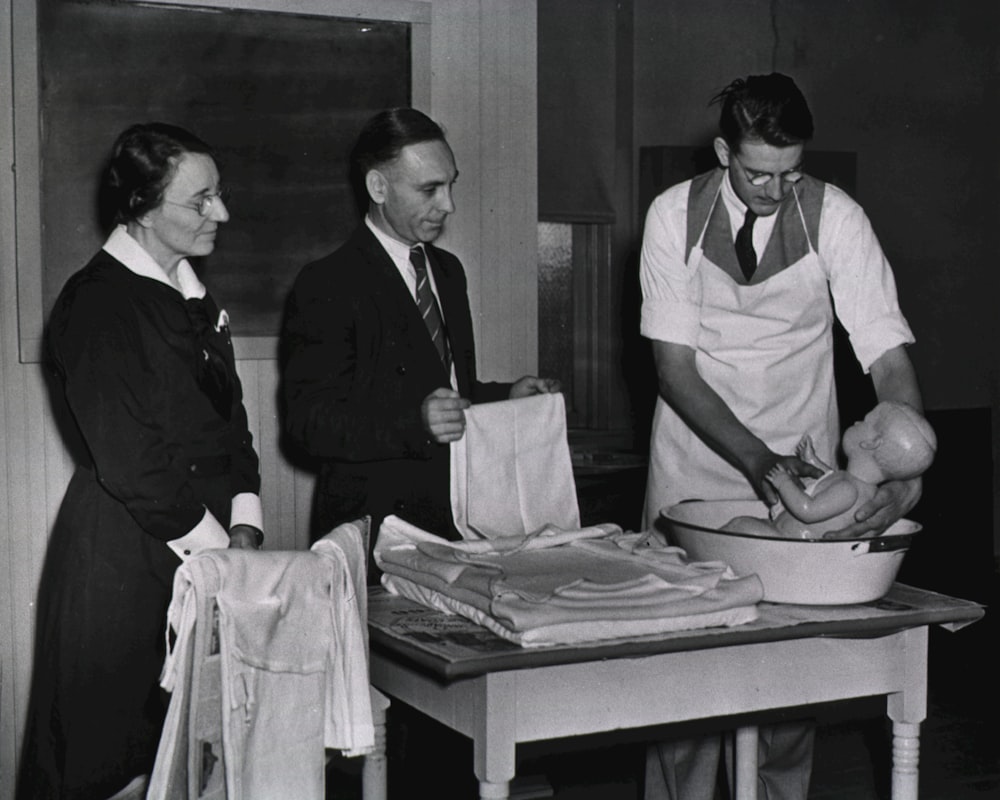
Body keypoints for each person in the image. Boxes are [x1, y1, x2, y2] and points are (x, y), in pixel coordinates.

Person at [639, 74, 925, 800]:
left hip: (805, 466)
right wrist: (761, 466)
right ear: (722, 151)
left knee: (787, 685)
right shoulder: (673, 215)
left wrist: (904, 456)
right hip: (696, 462)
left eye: (789, 172)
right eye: (756, 173)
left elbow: (887, 355)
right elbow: (674, 371)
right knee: (685, 685)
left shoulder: (839, 218)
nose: (773, 190)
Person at [18, 123, 264, 800]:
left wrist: (246, 524)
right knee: (121, 766)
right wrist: (221, 554)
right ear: (143, 209)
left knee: (194, 765)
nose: (223, 213)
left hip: (205, 554)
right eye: (201, 200)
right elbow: (132, 462)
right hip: (125, 566)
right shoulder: (97, 302)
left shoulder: (193, 298)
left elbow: (232, 425)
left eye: (220, 194)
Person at [281, 107, 559, 547]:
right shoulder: (328, 283)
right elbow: (308, 424)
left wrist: (505, 396)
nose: (447, 205)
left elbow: (445, 388)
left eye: (450, 186)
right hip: (374, 531)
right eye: (429, 189)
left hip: (458, 521)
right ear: (378, 186)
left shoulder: (448, 272)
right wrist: (415, 424)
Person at [723, 401, 936, 539]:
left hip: (788, 539)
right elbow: (829, 479)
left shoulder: (849, 490)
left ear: (871, 443)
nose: (856, 421)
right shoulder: (854, 485)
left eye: (864, 422)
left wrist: (783, 482)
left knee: (740, 526)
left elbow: (808, 511)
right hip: (784, 533)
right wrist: (812, 460)